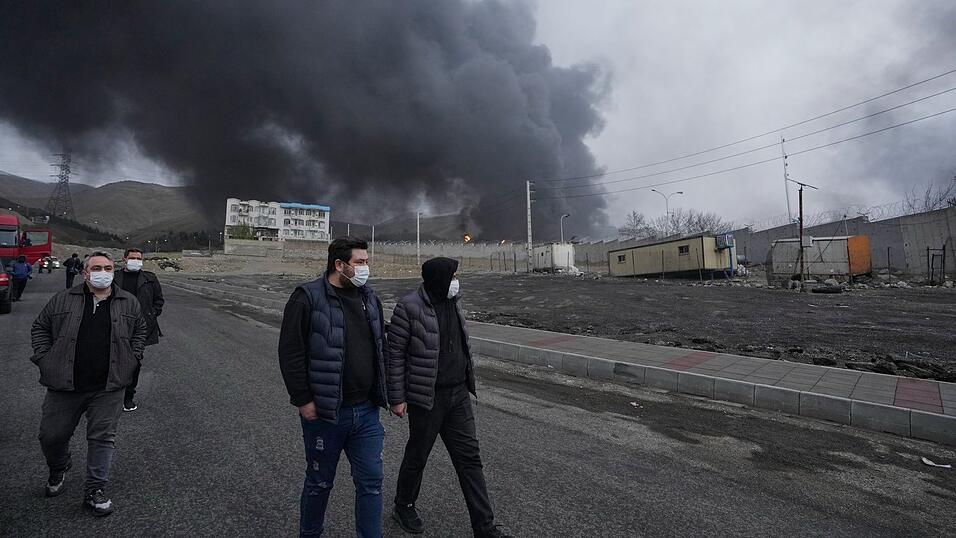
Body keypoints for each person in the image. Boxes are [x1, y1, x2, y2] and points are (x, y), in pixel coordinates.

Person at [387, 258, 511, 538]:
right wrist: (397, 397)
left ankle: (485, 526)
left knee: (470, 459)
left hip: (458, 395)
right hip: (427, 397)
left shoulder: (454, 300)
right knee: (418, 455)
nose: (457, 280)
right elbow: (394, 355)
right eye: (453, 275)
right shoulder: (408, 307)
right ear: (439, 279)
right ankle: (403, 504)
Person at [278, 236, 388, 538]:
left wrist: (391, 392)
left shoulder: (369, 298)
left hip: (366, 412)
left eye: (366, 261)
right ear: (340, 265)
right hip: (326, 412)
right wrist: (303, 398)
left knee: (371, 482)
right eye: (360, 263)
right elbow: (290, 351)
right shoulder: (307, 297)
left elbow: (381, 346)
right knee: (319, 482)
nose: (366, 268)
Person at [30, 251, 147, 517]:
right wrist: (45, 358)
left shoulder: (128, 302)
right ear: (85, 273)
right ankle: (59, 466)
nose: (102, 272)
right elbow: (40, 327)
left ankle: (95, 490)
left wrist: (133, 356)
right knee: (52, 435)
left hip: (109, 385)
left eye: (107, 267)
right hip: (65, 384)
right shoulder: (63, 299)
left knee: (102, 438)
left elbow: (140, 329)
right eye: (96, 268)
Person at [113, 248, 164, 412]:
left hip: (139, 328)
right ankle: (109, 395)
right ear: (124, 259)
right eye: (132, 258)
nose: (136, 260)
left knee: (134, 362)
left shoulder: (149, 278)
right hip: (115, 324)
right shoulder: (113, 276)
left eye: (138, 258)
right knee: (111, 360)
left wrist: (152, 314)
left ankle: (128, 396)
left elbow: (159, 300)